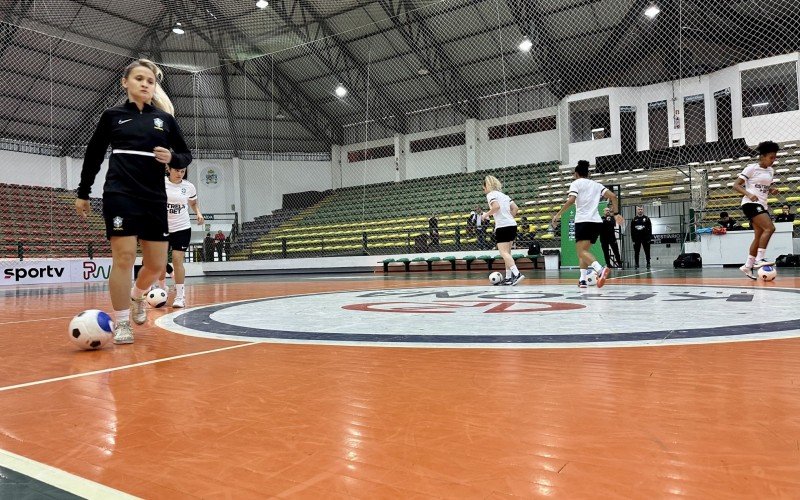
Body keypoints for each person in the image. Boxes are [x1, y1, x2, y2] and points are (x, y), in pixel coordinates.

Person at [75, 59, 191, 344]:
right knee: (124, 257)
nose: (145, 84)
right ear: (124, 82)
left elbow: (185, 154)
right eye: (138, 78)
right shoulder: (112, 116)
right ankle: (122, 322)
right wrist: (83, 191)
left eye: (150, 81)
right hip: (120, 194)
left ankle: (138, 295)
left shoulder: (165, 120)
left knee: (155, 266)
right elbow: (93, 155)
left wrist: (172, 159)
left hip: (153, 198)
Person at [551, 160, 622, 288]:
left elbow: (571, 200)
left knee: (581, 252)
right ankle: (582, 280)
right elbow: (613, 196)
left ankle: (600, 270)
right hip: (596, 223)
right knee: (584, 251)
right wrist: (616, 214)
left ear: (576, 174)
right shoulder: (596, 185)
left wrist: (558, 214)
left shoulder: (576, 183)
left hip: (583, 221)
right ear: (587, 173)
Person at [154, 165, 204, 308]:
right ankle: (162, 287)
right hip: (162, 227)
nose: (180, 174)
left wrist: (198, 213)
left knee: (177, 260)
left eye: (182, 171)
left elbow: (193, 203)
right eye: (177, 170)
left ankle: (180, 296)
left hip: (182, 227)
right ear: (168, 169)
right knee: (160, 262)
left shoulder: (189, 186)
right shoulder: (160, 182)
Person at [734, 140, 780, 279]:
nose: (773, 160)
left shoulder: (771, 171)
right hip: (750, 203)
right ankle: (759, 259)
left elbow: (764, 186)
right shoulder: (751, 168)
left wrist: (772, 190)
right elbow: (736, 185)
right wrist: (749, 194)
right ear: (763, 156)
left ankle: (747, 266)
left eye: (775, 157)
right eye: (771, 157)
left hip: (762, 205)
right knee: (770, 228)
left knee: (759, 236)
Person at [482, 175, 523, 286]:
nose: (483, 190)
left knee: (503, 253)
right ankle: (509, 277)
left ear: (487, 186)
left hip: (503, 226)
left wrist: (486, 214)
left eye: (483, 187)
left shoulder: (491, 195)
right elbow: (515, 208)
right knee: (508, 253)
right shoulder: (504, 195)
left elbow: (496, 207)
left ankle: (516, 273)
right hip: (512, 225)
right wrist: (509, 218)